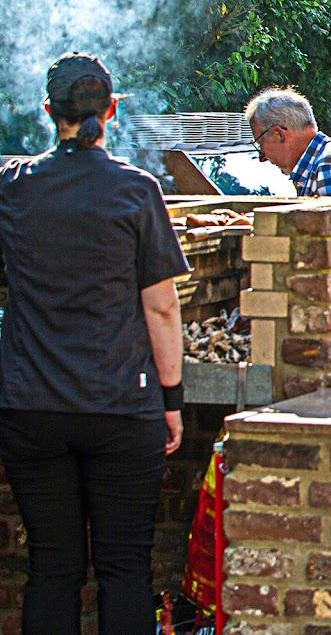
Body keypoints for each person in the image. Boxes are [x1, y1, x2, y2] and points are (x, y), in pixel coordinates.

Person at [0, 53, 188, 634]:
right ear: (111, 111)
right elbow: (162, 307)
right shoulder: (135, 190)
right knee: (124, 568)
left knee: (51, 566)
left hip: (30, 407)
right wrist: (172, 400)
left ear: (47, 111)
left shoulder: (13, 187)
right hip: (122, 406)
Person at [245, 87, 331, 197]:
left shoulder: (328, 165)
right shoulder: (325, 161)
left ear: (279, 134)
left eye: (260, 144)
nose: (262, 157)